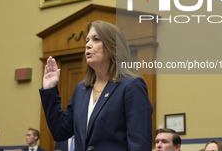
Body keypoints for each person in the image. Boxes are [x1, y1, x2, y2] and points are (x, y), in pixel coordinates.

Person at [40, 20, 153, 150]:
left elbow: (139, 144)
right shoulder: (81, 89)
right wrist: (50, 90)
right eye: (87, 40)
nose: (88, 45)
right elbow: (60, 131)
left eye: (96, 39)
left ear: (114, 46)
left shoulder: (131, 86)